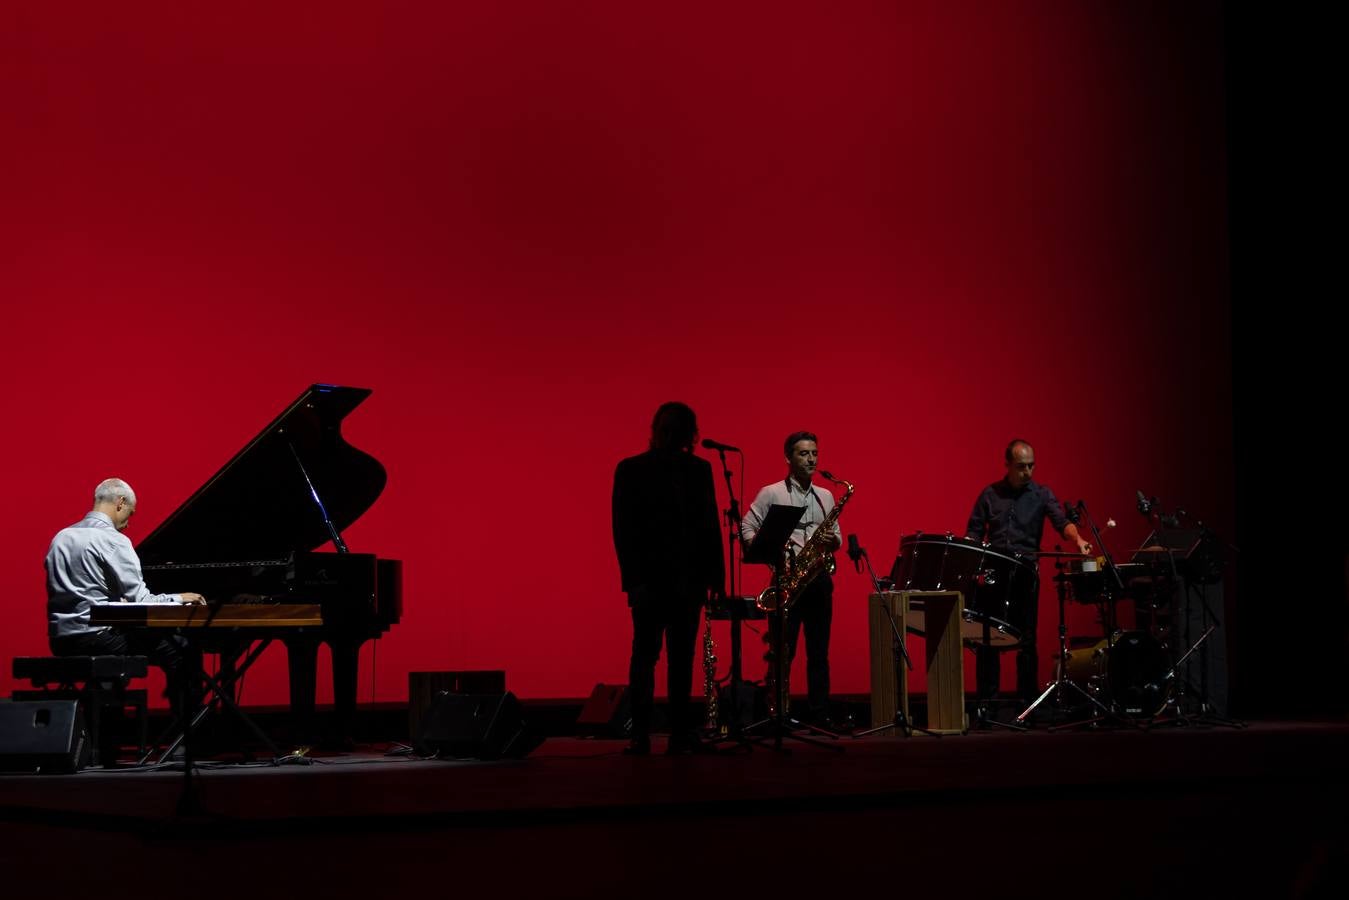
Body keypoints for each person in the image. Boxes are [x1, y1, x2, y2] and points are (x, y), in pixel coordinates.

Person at [612, 403, 724, 755]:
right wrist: (635, 582)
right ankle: (653, 734)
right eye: (667, 429)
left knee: (666, 659)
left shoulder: (689, 470)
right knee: (656, 658)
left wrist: (715, 577)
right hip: (661, 581)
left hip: (679, 581)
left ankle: (664, 734)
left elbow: (709, 526)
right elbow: (624, 531)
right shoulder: (637, 469)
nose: (670, 435)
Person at [46, 478, 206, 715]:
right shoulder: (114, 540)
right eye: (130, 514)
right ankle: (187, 729)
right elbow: (142, 601)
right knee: (180, 647)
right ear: (120, 502)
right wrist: (179, 598)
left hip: (61, 641)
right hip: (98, 639)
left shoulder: (60, 537)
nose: (128, 524)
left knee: (133, 643)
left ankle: (105, 712)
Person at [965, 439, 1090, 713]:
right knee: (987, 638)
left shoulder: (1041, 495)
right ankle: (988, 704)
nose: (1027, 472)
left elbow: (1062, 522)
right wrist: (974, 563)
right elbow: (974, 531)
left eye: (1031, 466)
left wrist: (1078, 540)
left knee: (1027, 640)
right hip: (995, 573)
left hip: (1025, 574)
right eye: (1021, 466)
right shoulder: (990, 494)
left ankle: (1028, 704)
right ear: (1007, 464)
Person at [741, 431, 842, 727]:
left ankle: (820, 714)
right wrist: (769, 554)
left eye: (814, 453)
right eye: (803, 453)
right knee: (783, 652)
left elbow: (836, 537)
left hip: (818, 580)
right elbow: (746, 527)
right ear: (788, 458)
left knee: (819, 653)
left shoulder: (826, 496)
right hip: (787, 581)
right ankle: (778, 713)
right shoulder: (772, 493)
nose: (811, 459)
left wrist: (832, 541)